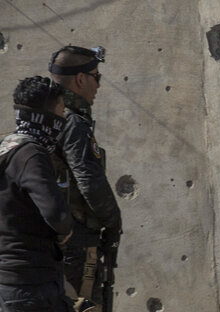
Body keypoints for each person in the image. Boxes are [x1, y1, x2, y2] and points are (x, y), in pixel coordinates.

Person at [49, 45, 122, 311]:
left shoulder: (44, 119)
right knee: (88, 305)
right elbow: (89, 181)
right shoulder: (74, 123)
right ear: (81, 79)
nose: (98, 86)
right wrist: (113, 223)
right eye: (96, 77)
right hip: (78, 245)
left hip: (47, 242)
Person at [0, 76, 74, 311]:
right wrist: (65, 231)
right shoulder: (32, 155)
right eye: (61, 111)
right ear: (46, 116)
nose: (63, 119)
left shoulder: (6, 149)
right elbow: (57, 214)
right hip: (31, 285)